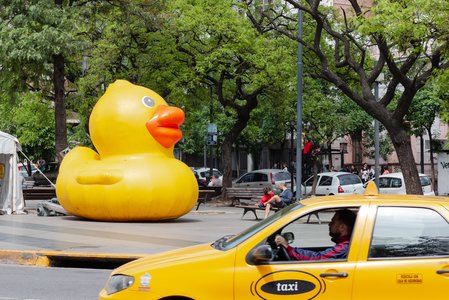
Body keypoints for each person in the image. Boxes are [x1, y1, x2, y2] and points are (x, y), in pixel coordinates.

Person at [275, 209, 357, 260]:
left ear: (342, 228)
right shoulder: (346, 245)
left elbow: (318, 258)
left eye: (333, 222)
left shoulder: (344, 247)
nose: (329, 224)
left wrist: (289, 249)